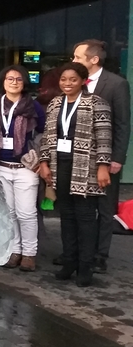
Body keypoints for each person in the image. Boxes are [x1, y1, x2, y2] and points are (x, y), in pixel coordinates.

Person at [37, 62, 112, 287]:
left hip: (86, 167)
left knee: (86, 218)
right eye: (63, 80)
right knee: (67, 217)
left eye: (72, 79)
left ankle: (86, 266)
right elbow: (48, 136)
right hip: (60, 164)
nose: (67, 84)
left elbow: (105, 137)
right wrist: (44, 162)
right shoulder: (55, 103)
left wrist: (103, 166)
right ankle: (69, 262)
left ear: (82, 81)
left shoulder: (96, 103)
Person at [72, 39, 130, 274]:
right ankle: (78, 252)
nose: (73, 61)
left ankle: (100, 255)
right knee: (80, 207)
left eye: (77, 57)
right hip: (78, 157)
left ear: (93, 59)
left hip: (105, 159)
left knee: (105, 209)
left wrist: (116, 158)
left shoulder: (116, 84)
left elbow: (123, 124)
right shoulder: (74, 83)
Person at [0, 65, 45, 272]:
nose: (14, 82)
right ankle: (15, 250)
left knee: (26, 213)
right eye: (9, 79)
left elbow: (44, 132)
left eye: (18, 79)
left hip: (26, 167)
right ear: (3, 81)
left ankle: (29, 253)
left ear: (24, 82)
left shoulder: (33, 106)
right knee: (9, 212)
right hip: (3, 165)